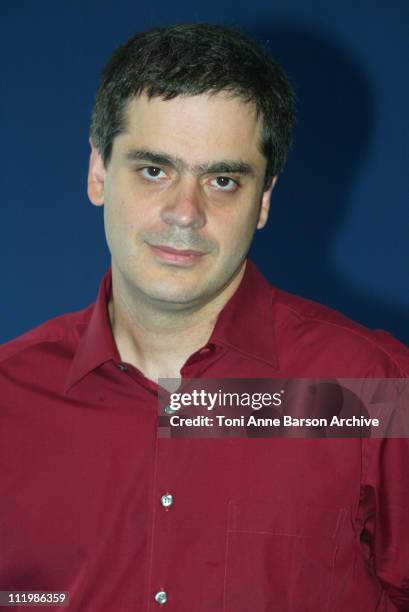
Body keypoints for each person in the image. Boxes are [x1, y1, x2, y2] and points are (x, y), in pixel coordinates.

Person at [0, 23, 408, 612]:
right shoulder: (10, 398)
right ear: (97, 173)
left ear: (262, 200)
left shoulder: (371, 388)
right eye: (154, 170)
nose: (185, 213)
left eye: (222, 180)